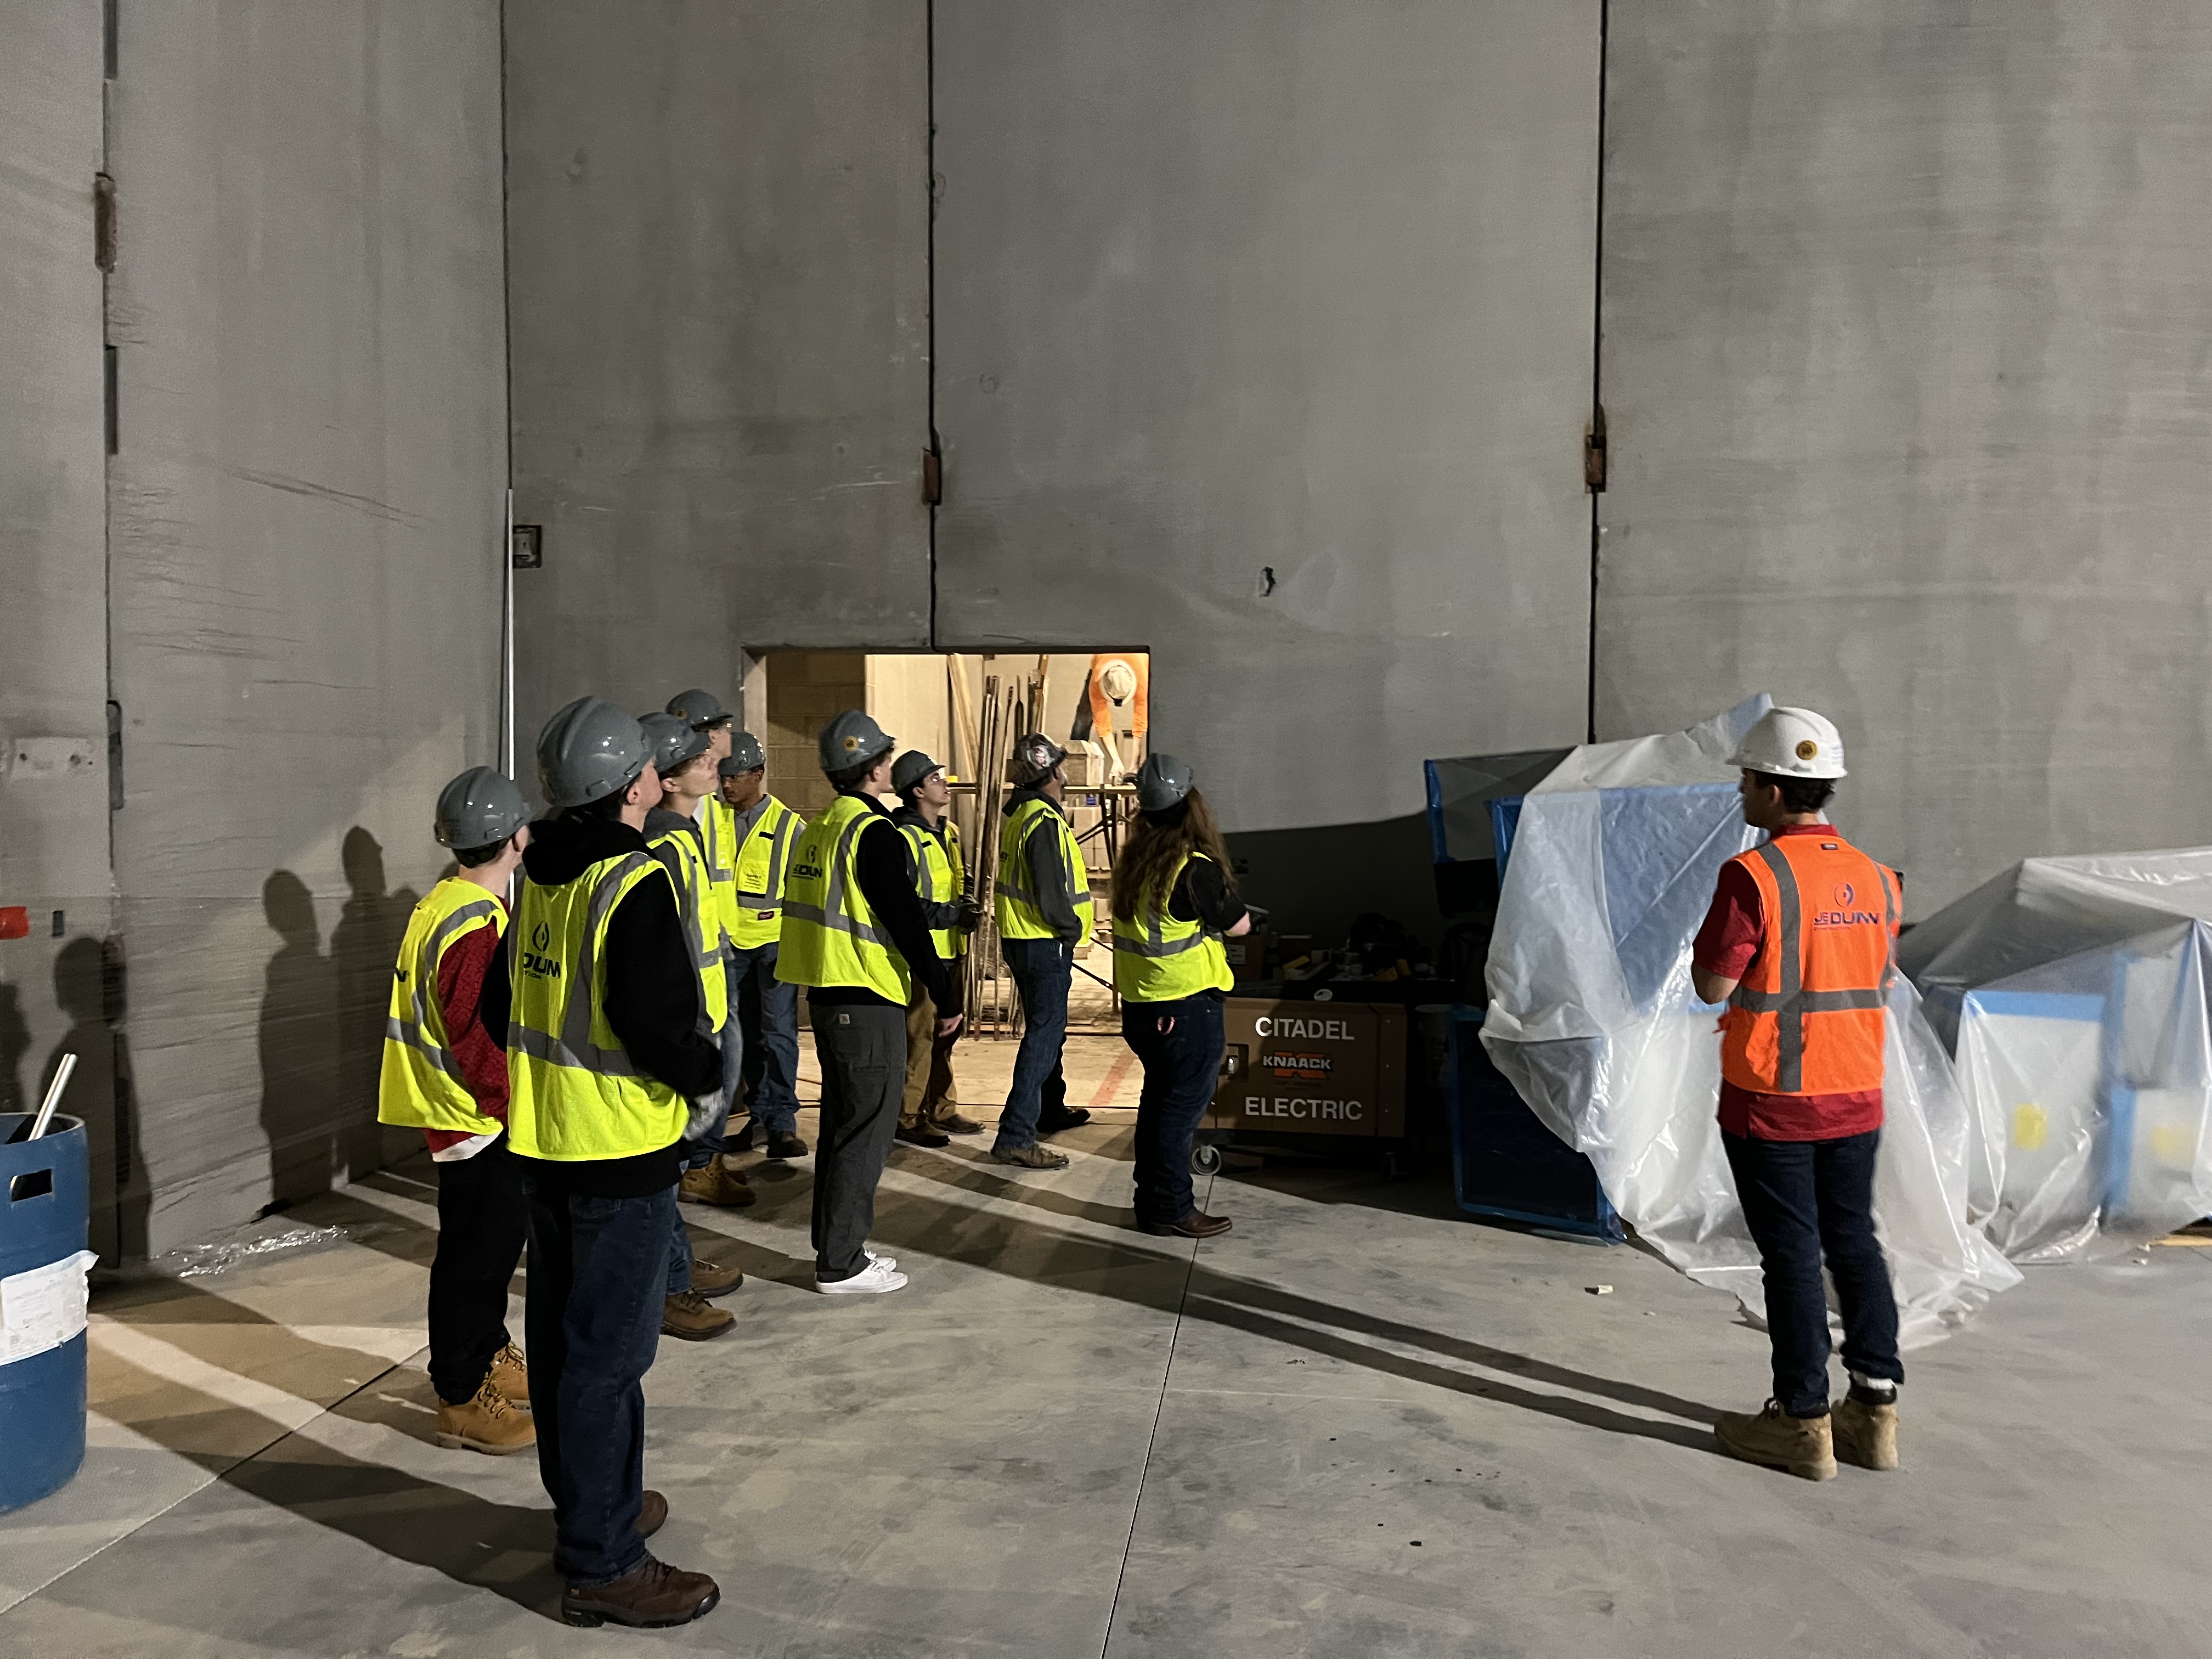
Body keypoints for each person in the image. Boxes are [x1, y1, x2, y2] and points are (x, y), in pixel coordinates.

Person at [478, 698, 724, 1628]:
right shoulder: (633, 881)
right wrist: (708, 1069)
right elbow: (660, 1027)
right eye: (655, 771)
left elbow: (509, 996)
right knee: (606, 1362)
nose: (665, 778)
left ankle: (591, 1507)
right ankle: (605, 1558)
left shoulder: (539, 873)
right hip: (618, 1149)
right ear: (630, 785)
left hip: (544, 1145)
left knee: (562, 1347)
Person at [1689, 706, 1904, 1482]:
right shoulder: (1879, 878)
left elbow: (1714, 985)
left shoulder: (1753, 876)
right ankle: (1874, 1410)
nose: (1741, 794)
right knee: (1855, 1245)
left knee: (1790, 1258)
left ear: (1773, 792)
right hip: (1856, 1093)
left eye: (1746, 780)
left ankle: (1803, 1422)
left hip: (1774, 1100)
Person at [376, 766, 536, 1455]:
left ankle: (489, 1349)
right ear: (517, 839)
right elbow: (475, 1038)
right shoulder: (476, 927)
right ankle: (462, 1394)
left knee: (483, 1252)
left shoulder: (444, 902)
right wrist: (512, 1109)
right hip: (475, 1117)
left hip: (454, 1110)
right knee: (476, 1257)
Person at [776, 711, 962, 1293]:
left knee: (842, 1126)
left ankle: (835, 1247)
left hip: (830, 997)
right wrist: (943, 987)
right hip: (867, 995)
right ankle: (841, 1262)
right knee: (867, 1132)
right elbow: (905, 919)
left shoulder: (822, 827)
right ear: (878, 768)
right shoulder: (873, 833)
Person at [637, 714, 748, 1343]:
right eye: (698, 759)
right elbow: (671, 946)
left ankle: (677, 1266)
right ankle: (670, 1286)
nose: (714, 763)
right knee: (665, 1164)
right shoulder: (669, 843)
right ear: (667, 780)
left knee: (670, 1165)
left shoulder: (682, 832)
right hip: (691, 1024)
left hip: (703, 1014)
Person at [1110, 754, 1249, 1239]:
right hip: (1185, 1009)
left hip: (1145, 1010)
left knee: (1158, 1110)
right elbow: (1241, 924)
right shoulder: (1194, 870)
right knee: (1177, 1118)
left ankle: (1151, 1204)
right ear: (1191, 807)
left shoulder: (1136, 866)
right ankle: (1173, 1208)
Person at [991, 733, 1094, 1171]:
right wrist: (1070, 930)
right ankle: (1016, 1134)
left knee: (1048, 1031)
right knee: (1044, 1036)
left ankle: (1050, 1107)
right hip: (1043, 941)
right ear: (1053, 773)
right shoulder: (1044, 823)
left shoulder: (1022, 816)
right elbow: (1053, 896)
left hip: (1022, 938)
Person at [709, 733, 808, 1161]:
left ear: (758, 776)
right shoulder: (714, 820)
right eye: (723, 777)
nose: (727, 786)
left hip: (773, 945)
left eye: (735, 777)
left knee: (778, 1033)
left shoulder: (789, 826)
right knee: (741, 1035)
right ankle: (759, 1115)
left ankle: (782, 1121)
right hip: (729, 944)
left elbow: (802, 895)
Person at [889, 749, 984, 1148]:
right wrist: (951, 917)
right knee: (922, 1036)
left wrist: (966, 908)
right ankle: (907, 1116)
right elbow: (906, 905)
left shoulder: (948, 833)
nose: (944, 784)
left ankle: (941, 1107)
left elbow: (956, 884)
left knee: (946, 1034)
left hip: (951, 949)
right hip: (924, 955)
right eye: (935, 780)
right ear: (916, 792)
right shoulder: (905, 838)